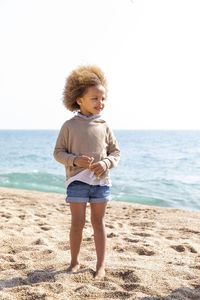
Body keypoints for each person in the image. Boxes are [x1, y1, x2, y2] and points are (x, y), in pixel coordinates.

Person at [53, 65, 120, 279]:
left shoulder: (104, 125)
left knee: (98, 223)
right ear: (79, 99)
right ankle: (74, 262)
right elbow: (58, 152)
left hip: (101, 182)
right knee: (77, 223)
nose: (100, 103)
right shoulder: (69, 126)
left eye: (103, 99)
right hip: (77, 181)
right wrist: (75, 160)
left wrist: (106, 163)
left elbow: (115, 152)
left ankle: (100, 266)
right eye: (94, 98)